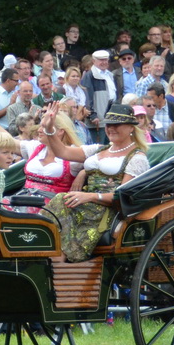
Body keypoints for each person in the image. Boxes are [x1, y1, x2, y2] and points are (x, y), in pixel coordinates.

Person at [38, 104, 152, 261]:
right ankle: (48, 256)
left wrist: (91, 196)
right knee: (60, 202)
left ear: (131, 128)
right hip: (85, 203)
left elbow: (123, 197)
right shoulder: (99, 149)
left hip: (107, 211)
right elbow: (62, 152)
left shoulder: (137, 158)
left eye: (116, 124)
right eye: (109, 124)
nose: (111, 128)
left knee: (61, 201)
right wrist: (50, 129)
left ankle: (59, 264)